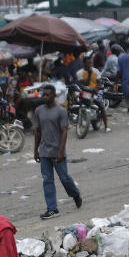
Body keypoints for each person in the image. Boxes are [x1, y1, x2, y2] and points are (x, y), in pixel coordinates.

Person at [33, 84, 82, 220]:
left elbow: (64, 131)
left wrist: (61, 151)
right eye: (44, 94)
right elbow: (37, 131)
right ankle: (52, 209)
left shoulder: (61, 111)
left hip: (57, 152)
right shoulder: (39, 111)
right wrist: (35, 150)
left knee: (64, 178)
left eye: (48, 94)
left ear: (54, 95)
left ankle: (75, 194)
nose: (45, 97)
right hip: (44, 152)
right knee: (47, 180)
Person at [76, 54, 108, 131]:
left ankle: (106, 126)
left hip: (95, 92)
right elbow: (85, 84)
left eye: (91, 63)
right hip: (85, 92)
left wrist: (96, 90)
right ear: (84, 63)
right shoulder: (80, 73)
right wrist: (89, 74)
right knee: (77, 103)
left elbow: (99, 83)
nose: (90, 65)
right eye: (88, 63)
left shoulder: (96, 71)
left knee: (101, 106)